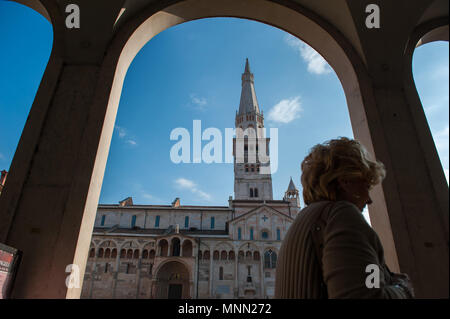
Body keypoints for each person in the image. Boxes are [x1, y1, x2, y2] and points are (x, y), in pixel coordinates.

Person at [274, 137, 414, 299]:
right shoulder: (341, 216)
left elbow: (371, 282)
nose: (369, 199)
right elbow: (368, 294)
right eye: (366, 186)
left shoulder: (303, 220)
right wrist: (402, 288)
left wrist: (382, 280)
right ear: (345, 181)